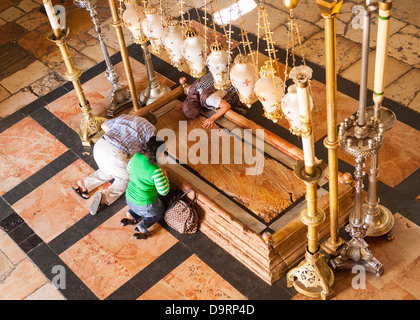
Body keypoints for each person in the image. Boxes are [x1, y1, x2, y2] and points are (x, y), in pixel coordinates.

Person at [72, 112, 157, 215]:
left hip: (100, 146)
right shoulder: (151, 129)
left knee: (108, 170)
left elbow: (103, 125)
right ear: (152, 123)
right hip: (115, 154)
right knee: (125, 178)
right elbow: (148, 150)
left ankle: (85, 184)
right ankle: (105, 196)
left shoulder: (126, 116)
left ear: (140, 116)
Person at [120, 136, 170, 239]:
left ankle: (131, 215)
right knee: (160, 211)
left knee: (141, 208)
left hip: (129, 198)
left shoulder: (136, 156)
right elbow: (164, 191)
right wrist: (165, 177)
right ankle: (142, 227)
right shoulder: (155, 170)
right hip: (145, 205)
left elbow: (129, 170)